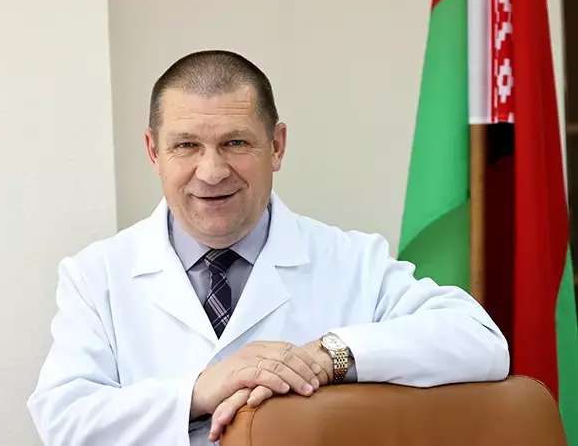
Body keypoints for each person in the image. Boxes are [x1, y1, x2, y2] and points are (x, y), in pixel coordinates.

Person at [27, 50, 509, 446]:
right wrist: (198, 391)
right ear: (154, 151)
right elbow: (63, 421)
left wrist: (327, 357)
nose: (211, 172)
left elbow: (480, 341)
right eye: (186, 146)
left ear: (276, 146)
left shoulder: (352, 261)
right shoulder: (95, 275)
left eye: (236, 143)